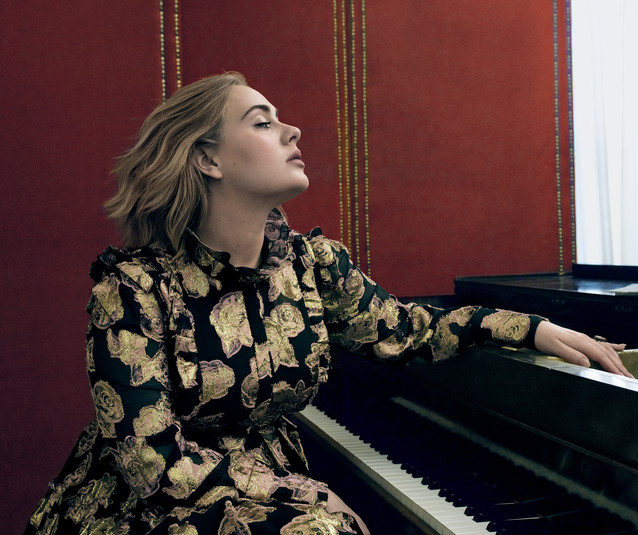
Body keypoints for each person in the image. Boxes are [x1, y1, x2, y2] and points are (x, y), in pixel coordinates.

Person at [25, 72, 631, 535]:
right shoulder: (131, 289)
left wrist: (530, 329)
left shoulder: (312, 265)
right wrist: (299, 493)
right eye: (262, 123)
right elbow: (149, 463)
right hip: (149, 506)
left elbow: (407, 330)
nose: (292, 132)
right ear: (207, 159)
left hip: (277, 489)